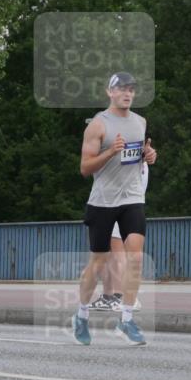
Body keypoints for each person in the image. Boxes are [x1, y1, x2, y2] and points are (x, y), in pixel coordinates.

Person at [72, 72, 157, 346]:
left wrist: (148, 156)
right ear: (110, 92)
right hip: (103, 201)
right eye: (121, 89)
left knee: (136, 257)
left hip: (132, 197)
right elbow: (85, 168)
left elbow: (137, 157)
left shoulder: (140, 122)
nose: (127, 93)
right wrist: (110, 152)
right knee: (98, 262)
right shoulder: (98, 125)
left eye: (131, 89)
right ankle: (81, 315)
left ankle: (127, 320)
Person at [89, 163, 149, 312]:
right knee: (111, 253)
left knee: (118, 253)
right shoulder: (137, 161)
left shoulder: (127, 160)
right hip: (121, 203)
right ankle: (110, 296)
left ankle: (124, 296)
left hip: (118, 204)